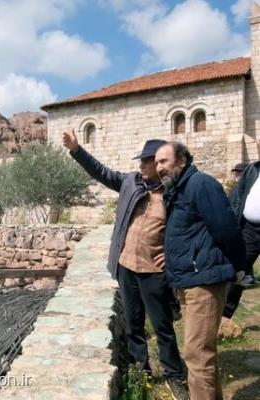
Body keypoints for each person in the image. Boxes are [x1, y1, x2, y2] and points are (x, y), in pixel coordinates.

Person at [62, 130, 187, 399]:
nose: (140, 166)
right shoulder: (130, 182)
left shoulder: (173, 193)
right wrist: (76, 150)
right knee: (133, 324)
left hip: (154, 272)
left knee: (162, 326)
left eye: (145, 162)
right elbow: (101, 172)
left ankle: (174, 375)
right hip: (127, 267)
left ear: (158, 164)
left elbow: (185, 229)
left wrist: (173, 254)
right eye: (140, 161)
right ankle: (140, 370)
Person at [155, 141, 246, 400]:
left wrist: (238, 267)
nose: (158, 167)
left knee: (196, 355)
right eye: (157, 162)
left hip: (203, 283)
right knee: (201, 354)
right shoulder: (178, 190)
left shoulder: (200, 184)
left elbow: (227, 230)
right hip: (188, 281)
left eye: (164, 161)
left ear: (182, 161)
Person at [224, 160, 259, 319]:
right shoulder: (253, 170)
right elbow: (239, 196)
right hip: (249, 229)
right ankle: (225, 315)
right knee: (238, 271)